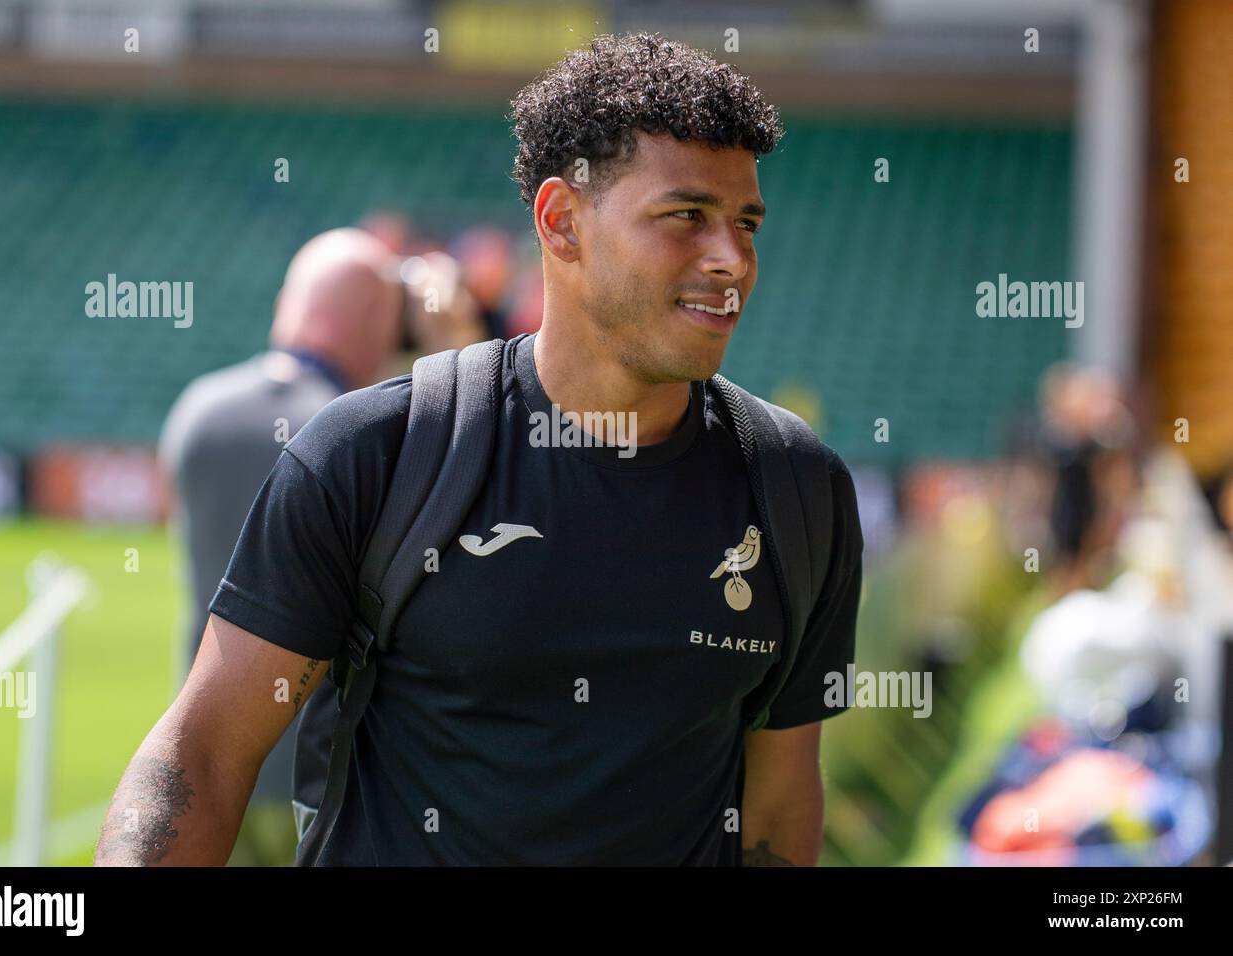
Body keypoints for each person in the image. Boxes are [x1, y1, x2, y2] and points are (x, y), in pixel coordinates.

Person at [97, 32, 863, 867]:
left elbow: (779, 809)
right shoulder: (373, 454)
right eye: (687, 216)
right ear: (561, 222)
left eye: (746, 222)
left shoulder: (797, 488)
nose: (732, 260)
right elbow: (201, 755)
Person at [155, 227, 403, 864]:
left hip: (207, 752)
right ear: (376, 322)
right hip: (321, 772)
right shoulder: (360, 435)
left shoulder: (197, 410)